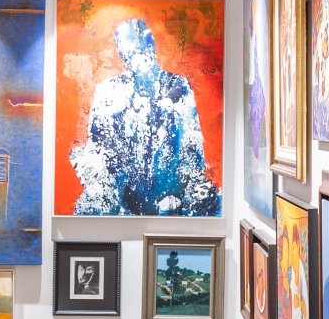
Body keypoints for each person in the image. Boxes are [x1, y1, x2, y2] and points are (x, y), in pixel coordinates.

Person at [71, 18, 220, 216]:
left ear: (150, 46)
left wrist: (182, 193)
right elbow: (96, 148)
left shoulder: (178, 86)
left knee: (211, 204)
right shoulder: (108, 92)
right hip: (120, 197)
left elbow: (191, 148)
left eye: (137, 49)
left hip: (170, 196)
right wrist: (106, 190)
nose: (132, 58)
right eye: (126, 52)